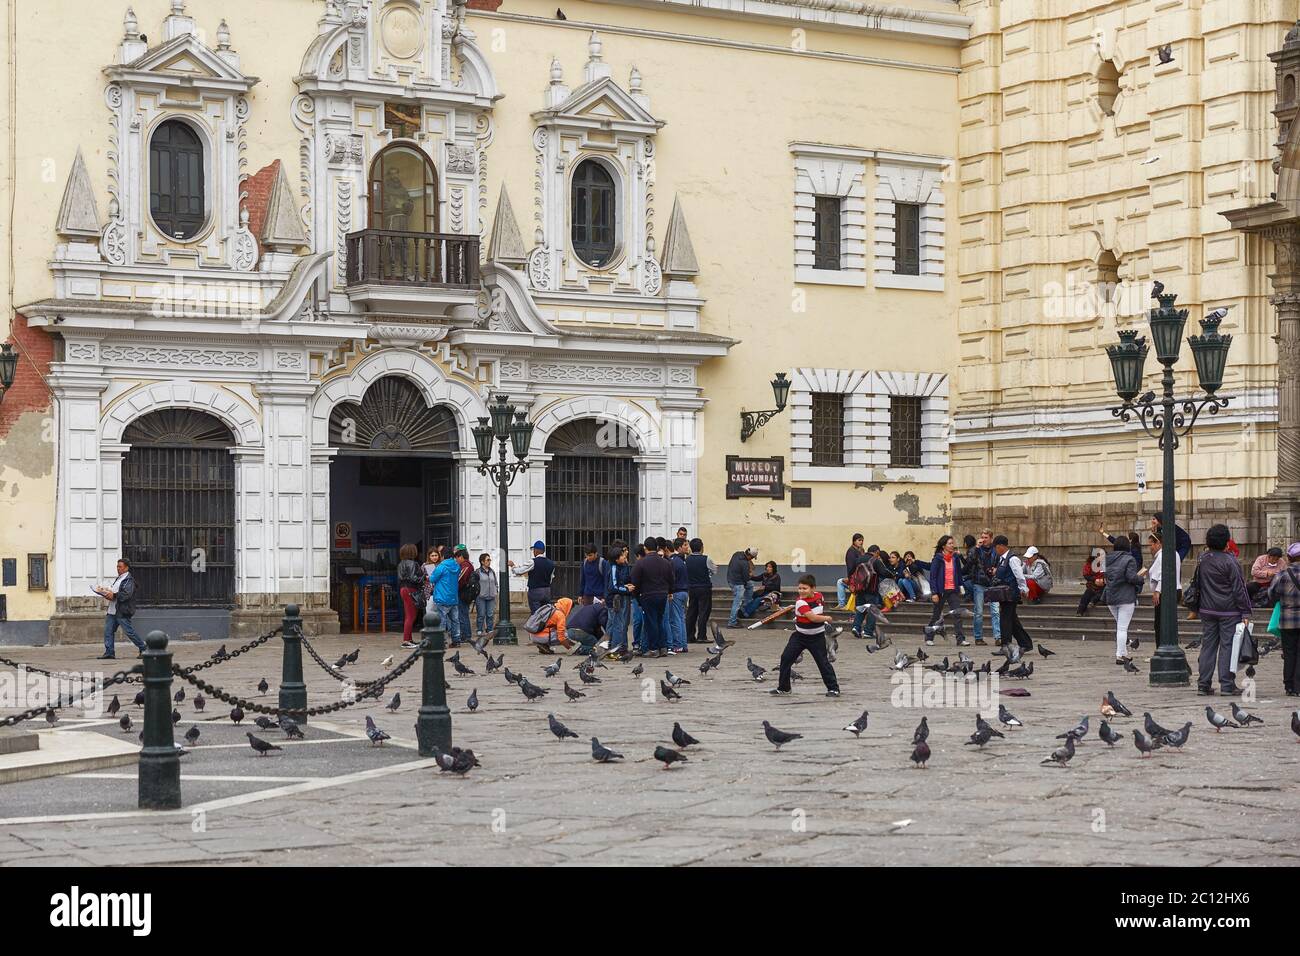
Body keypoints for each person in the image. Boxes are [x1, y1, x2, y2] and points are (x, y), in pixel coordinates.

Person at [1194, 523, 1252, 696]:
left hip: (1207, 609)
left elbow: (1198, 583)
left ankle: (1203, 684)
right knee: (1227, 646)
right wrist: (1245, 611)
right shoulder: (1230, 561)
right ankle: (1227, 684)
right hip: (1228, 611)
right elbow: (1239, 589)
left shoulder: (1202, 559)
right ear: (1227, 542)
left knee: (1208, 646)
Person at [770, 575, 840, 697]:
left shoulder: (819, 597)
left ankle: (834, 689)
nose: (801, 591)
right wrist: (827, 618)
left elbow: (816, 613)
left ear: (813, 589)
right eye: (800, 588)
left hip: (816, 637)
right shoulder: (800, 602)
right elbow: (813, 618)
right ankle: (784, 688)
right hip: (800, 637)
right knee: (785, 659)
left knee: (823, 662)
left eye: (805, 588)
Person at [1104, 534, 1146, 664]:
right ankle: (1119, 656)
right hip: (1125, 597)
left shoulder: (1106, 559)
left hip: (1111, 597)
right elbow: (1131, 577)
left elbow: (1105, 576)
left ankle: (1123, 653)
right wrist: (1141, 578)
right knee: (1122, 628)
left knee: (1120, 627)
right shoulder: (1129, 559)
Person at [631, 536, 674, 656]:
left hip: (647, 596)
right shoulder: (666, 563)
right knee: (660, 621)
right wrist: (669, 592)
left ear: (645, 548)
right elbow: (671, 580)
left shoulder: (641, 563)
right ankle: (663, 647)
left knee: (651, 622)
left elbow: (635, 582)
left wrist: (637, 598)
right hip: (662, 595)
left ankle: (654, 648)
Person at [1267, 542, 1300, 696]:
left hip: (1287, 620)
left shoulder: (1281, 575)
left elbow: (1271, 595)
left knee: (1289, 653)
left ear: (1289, 558)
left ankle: (1289, 686)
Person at [95, 557, 145, 660]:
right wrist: (104, 591)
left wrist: (113, 595)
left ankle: (144, 648)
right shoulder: (120, 578)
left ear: (126, 568)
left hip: (122, 611)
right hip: (112, 610)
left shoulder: (128, 580)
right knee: (108, 631)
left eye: (120, 567)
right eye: (117, 566)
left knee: (129, 632)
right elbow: (114, 590)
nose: (118, 568)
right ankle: (109, 652)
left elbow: (126, 595)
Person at [991, 535, 1032, 651]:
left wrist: (1024, 589)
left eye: (996, 547)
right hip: (1003, 594)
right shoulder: (1001, 559)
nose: (995, 550)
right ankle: (1026, 643)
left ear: (1000, 546)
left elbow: (1019, 576)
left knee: (1005, 620)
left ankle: (1006, 646)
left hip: (1010, 594)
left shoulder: (1012, 559)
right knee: (1012, 620)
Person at [926, 534, 968, 647]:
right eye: (950, 543)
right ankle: (929, 637)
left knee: (957, 614)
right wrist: (934, 592)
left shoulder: (955, 558)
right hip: (941, 591)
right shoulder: (938, 559)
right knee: (936, 615)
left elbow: (958, 574)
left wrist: (960, 586)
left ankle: (960, 639)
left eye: (952, 543)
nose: (952, 545)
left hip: (952, 590)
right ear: (944, 546)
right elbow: (933, 576)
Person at [964, 530, 1000, 646]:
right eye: (982, 537)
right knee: (978, 612)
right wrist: (976, 548)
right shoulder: (976, 550)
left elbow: (1000, 563)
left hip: (993, 584)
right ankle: (978, 637)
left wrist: (996, 570)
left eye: (986, 537)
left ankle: (998, 637)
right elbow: (969, 563)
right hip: (979, 583)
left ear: (991, 538)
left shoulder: (995, 550)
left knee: (995, 611)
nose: (983, 539)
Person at [850, 545, 893, 642]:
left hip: (859, 589)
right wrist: (893, 575)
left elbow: (852, 572)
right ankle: (868, 632)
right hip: (871, 590)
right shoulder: (875, 560)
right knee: (872, 610)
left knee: (861, 608)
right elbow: (883, 572)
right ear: (877, 552)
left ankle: (856, 627)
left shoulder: (858, 560)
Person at [422, 546, 461, 649]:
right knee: (455, 620)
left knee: (442, 621)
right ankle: (456, 640)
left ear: (442, 556)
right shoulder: (457, 566)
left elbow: (433, 579)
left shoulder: (441, 567)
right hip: (453, 597)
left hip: (442, 596)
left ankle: (442, 641)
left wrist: (427, 577)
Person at [1146, 530, 1181, 636]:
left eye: (1151, 544)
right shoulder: (1174, 553)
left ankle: (1162, 647)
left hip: (1165, 592)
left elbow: (1164, 574)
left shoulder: (1163, 556)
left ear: (1158, 543)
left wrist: (1157, 591)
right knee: (1169, 622)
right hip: (1175, 589)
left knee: (1160, 624)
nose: (1149, 548)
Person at [509, 541, 555, 613]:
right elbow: (551, 579)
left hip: (535, 591)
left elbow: (519, 571)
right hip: (547, 591)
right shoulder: (551, 563)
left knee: (536, 614)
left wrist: (512, 566)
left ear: (536, 551)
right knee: (546, 613)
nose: (533, 552)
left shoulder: (533, 562)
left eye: (533, 550)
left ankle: (536, 624)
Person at [684, 538, 715, 644]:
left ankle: (689, 635)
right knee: (703, 611)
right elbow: (714, 570)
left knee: (692, 612)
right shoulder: (706, 559)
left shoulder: (687, 560)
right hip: (704, 587)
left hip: (692, 588)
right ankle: (701, 636)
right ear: (701, 547)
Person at [395, 543, 426, 648]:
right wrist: (423, 578)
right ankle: (406, 641)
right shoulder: (413, 563)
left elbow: (400, 578)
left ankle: (409, 639)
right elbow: (413, 578)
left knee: (409, 614)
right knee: (411, 616)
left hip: (403, 589)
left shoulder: (400, 564)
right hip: (411, 589)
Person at [604, 543, 633, 654]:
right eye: (622, 555)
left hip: (615, 599)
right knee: (617, 625)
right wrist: (626, 589)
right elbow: (613, 586)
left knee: (616, 624)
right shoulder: (614, 568)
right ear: (616, 559)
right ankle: (615, 649)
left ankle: (611, 647)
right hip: (614, 600)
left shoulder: (617, 567)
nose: (624, 556)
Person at [665, 538, 690, 653]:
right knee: (681, 619)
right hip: (684, 592)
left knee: (675, 620)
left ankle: (678, 644)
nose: (687, 547)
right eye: (685, 545)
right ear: (679, 547)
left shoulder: (673, 561)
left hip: (676, 592)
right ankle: (683, 644)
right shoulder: (682, 560)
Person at [726, 547, 757, 627]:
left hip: (730, 579)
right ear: (750, 556)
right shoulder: (744, 564)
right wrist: (750, 574)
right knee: (737, 602)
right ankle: (732, 622)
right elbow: (746, 578)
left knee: (750, 585)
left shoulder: (737, 554)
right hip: (738, 584)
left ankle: (746, 605)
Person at [453, 545, 477, 646]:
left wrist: (454, 588)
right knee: (463, 614)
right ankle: (465, 634)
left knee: (462, 615)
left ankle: (466, 635)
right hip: (464, 593)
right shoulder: (467, 565)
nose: (456, 560)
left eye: (457, 558)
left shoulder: (466, 566)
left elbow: (460, 579)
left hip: (463, 594)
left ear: (461, 557)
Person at [837, 533, 866, 608]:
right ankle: (842, 604)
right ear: (854, 541)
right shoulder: (851, 552)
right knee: (840, 581)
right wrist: (851, 581)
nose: (861, 542)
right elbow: (850, 568)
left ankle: (842, 604)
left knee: (840, 582)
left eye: (862, 540)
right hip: (858, 578)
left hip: (859, 580)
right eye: (859, 540)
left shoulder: (860, 550)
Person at [475, 553, 498, 640]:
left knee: (490, 614)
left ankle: (490, 630)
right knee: (481, 614)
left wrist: (496, 590)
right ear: (482, 562)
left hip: (491, 596)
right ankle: (480, 630)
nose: (489, 561)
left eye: (490, 560)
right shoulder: (478, 571)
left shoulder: (492, 571)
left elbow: (495, 582)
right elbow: (475, 583)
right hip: (481, 596)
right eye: (487, 560)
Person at [1077, 548, 1107, 615]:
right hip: (1093, 584)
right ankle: (1080, 611)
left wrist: (1104, 580)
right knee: (1087, 593)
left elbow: (1111, 574)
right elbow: (1086, 575)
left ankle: (1094, 600)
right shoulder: (1090, 564)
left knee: (1104, 591)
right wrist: (1095, 580)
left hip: (1104, 585)